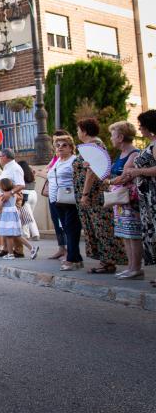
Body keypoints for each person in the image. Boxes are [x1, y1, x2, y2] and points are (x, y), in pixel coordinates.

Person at [74, 117, 127, 274]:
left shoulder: (94, 146)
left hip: (94, 195)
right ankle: (106, 261)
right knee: (97, 227)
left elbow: (91, 172)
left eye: (78, 130)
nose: (77, 132)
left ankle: (108, 262)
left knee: (101, 227)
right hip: (92, 194)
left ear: (84, 131)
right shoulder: (93, 145)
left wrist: (84, 194)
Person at [123, 109, 156, 286]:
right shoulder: (150, 144)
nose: (140, 129)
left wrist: (137, 171)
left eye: (142, 126)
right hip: (147, 196)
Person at [107, 121, 143, 280]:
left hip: (130, 200)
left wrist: (109, 182)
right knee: (125, 234)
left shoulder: (134, 153)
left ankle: (136, 268)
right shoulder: (122, 154)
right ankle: (131, 267)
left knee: (133, 234)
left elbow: (124, 177)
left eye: (112, 135)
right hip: (120, 200)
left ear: (120, 137)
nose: (111, 138)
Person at [47, 135, 83, 271]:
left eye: (64, 145)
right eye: (58, 145)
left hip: (70, 199)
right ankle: (76, 258)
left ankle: (72, 259)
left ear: (71, 148)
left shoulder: (74, 161)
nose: (60, 148)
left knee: (71, 229)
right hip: (57, 200)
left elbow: (80, 178)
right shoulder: (58, 161)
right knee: (67, 229)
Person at [43, 129, 71, 260]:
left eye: (61, 143)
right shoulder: (56, 159)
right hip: (53, 196)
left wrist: (39, 173)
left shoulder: (70, 160)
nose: (57, 146)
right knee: (57, 223)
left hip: (65, 196)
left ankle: (70, 252)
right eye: (55, 143)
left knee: (66, 224)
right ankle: (62, 248)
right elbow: (47, 171)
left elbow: (47, 173)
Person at [0, 178, 24, 260]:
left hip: (7, 215)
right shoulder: (14, 194)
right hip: (13, 213)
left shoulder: (3, 196)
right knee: (13, 234)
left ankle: (10, 254)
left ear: (2, 187)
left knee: (8, 235)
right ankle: (30, 248)